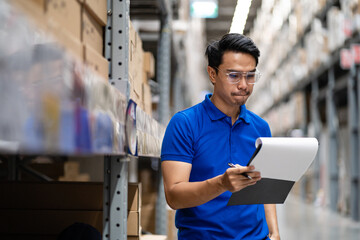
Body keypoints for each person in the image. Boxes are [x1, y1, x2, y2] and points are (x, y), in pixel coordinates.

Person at [160, 33, 280, 240]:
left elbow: (264, 186)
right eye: (234, 75)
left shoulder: (261, 127)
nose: (244, 85)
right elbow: (174, 196)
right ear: (212, 74)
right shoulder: (185, 124)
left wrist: (274, 232)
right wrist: (221, 184)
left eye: (250, 75)